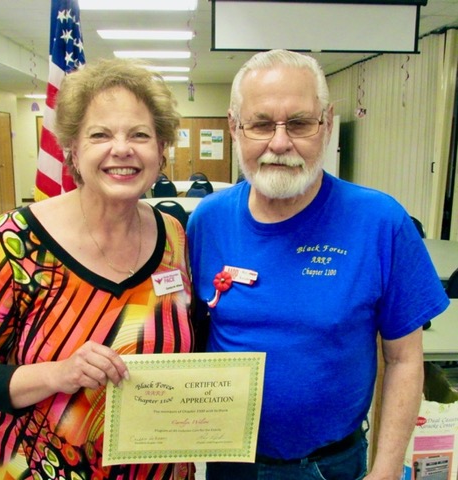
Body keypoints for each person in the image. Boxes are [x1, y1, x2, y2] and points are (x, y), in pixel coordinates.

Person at [186, 49, 449, 480]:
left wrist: (384, 471)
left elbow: (403, 360)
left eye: (301, 123)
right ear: (234, 127)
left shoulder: (380, 222)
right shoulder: (207, 221)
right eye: (261, 123)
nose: (280, 142)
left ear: (326, 124)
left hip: (332, 465)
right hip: (230, 462)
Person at [0, 58, 195, 480]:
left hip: (160, 469)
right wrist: (58, 374)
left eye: (140, 135)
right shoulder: (13, 243)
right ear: (73, 150)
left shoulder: (173, 237)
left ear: (162, 149)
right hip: (44, 470)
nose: (122, 149)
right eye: (100, 135)